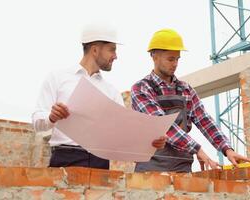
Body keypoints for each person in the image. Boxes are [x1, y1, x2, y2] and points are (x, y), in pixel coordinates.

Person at [32, 23, 166, 169]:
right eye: (112, 50)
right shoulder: (57, 78)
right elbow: (37, 122)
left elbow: (123, 134)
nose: (115, 56)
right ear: (95, 50)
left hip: (100, 163)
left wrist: (149, 142)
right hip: (65, 159)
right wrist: (52, 117)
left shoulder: (111, 91)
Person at [131, 29, 250, 172]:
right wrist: (197, 149)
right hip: (150, 168)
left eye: (177, 59)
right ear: (154, 56)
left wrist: (227, 149)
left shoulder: (185, 89)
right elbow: (163, 125)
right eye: (170, 59)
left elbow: (205, 121)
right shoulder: (141, 89)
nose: (175, 64)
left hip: (181, 167)